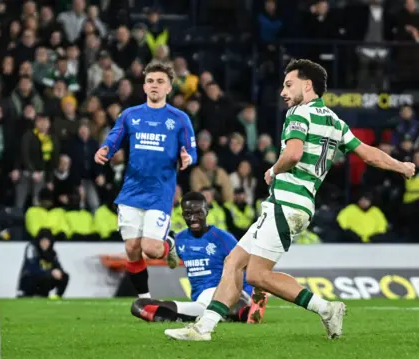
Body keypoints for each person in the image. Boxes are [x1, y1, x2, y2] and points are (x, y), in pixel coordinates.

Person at [164, 59, 416, 341]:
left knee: (257, 276)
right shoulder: (335, 121)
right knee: (234, 261)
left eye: (288, 84)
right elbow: (369, 154)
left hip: (287, 202)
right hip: (298, 204)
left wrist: (273, 169)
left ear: (307, 85)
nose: (283, 92)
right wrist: (402, 166)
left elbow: (294, 153)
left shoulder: (298, 114)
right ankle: (204, 327)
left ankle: (326, 308)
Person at [94, 61, 197, 299]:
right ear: (144, 86)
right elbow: (114, 138)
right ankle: (145, 300)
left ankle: (168, 244)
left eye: (160, 82)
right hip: (132, 190)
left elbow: (191, 151)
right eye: (150, 81)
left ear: (169, 88)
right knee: (131, 248)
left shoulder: (179, 119)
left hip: (160, 191)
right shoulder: (131, 115)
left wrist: (187, 158)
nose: (155, 85)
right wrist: (105, 150)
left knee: (150, 249)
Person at [131, 192, 264, 324]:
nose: (193, 218)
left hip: (227, 293)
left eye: (198, 213)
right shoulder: (180, 239)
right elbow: (157, 255)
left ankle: (236, 311)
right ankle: (208, 317)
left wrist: (248, 295)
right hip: (201, 301)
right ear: (183, 215)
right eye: (188, 214)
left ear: (206, 212)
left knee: (232, 307)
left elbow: (247, 266)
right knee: (139, 305)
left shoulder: (222, 238)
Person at [17, 229, 69, 299]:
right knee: (40, 277)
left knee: (64, 276)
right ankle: (26, 294)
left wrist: (59, 272)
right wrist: (50, 272)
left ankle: (57, 297)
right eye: (43, 241)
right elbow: (32, 268)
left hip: (45, 280)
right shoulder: (32, 248)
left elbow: (58, 266)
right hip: (30, 281)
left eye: (47, 241)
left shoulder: (52, 253)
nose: (45, 243)